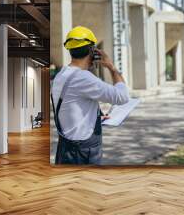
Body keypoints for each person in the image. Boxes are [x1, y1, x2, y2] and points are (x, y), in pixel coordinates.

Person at [51, 26, 129, 165]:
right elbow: (122, 97)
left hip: (65, 148)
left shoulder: (61, 75)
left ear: (70, 49)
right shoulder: (83, 77)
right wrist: (112, 67)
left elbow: (71, 107)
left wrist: (95, 116)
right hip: (83, 153)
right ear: (92, 50)